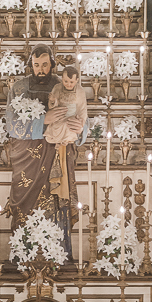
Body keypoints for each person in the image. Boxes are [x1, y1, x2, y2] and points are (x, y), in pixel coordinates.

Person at [5, 46, 86, 253]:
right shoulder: (19, 87)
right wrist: (43, 121)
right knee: (26, 204)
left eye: (45, 65)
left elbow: (80, 113)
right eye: (36, 65)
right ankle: (24, 253)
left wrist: (82, 128)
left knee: (57, 203)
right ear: (30, 65)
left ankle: (56, 253)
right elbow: (11, 125)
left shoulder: (65, 85)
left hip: (57, 154)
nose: (40, 69)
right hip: (28, 158)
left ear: (52, 64)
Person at [45, 66, 88, 208]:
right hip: (58, 117)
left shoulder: (80, 92)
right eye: (66, 81)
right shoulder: (57, 87)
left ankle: (63, 141)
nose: (68, 84)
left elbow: (83, 109)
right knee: (57, 127)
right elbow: (52, 105)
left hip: (72, 119)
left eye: (71, 82)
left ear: (76, 81)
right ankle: (57, 141)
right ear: (62, 79)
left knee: (69, 128)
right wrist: (52, 101)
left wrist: (81, 124)